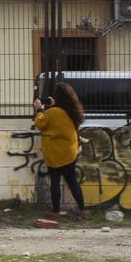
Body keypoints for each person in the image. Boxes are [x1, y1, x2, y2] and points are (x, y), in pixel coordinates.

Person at [34, 82, 86, 220]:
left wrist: (39, 109)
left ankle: (56, 212)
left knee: (55, 183)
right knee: (73, 182)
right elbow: (59, 118)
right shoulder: (71, 111)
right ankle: (83, 210)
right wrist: (52, 106)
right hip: (70, 152)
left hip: (55, 154)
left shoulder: (53, 112)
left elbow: (41, 124)